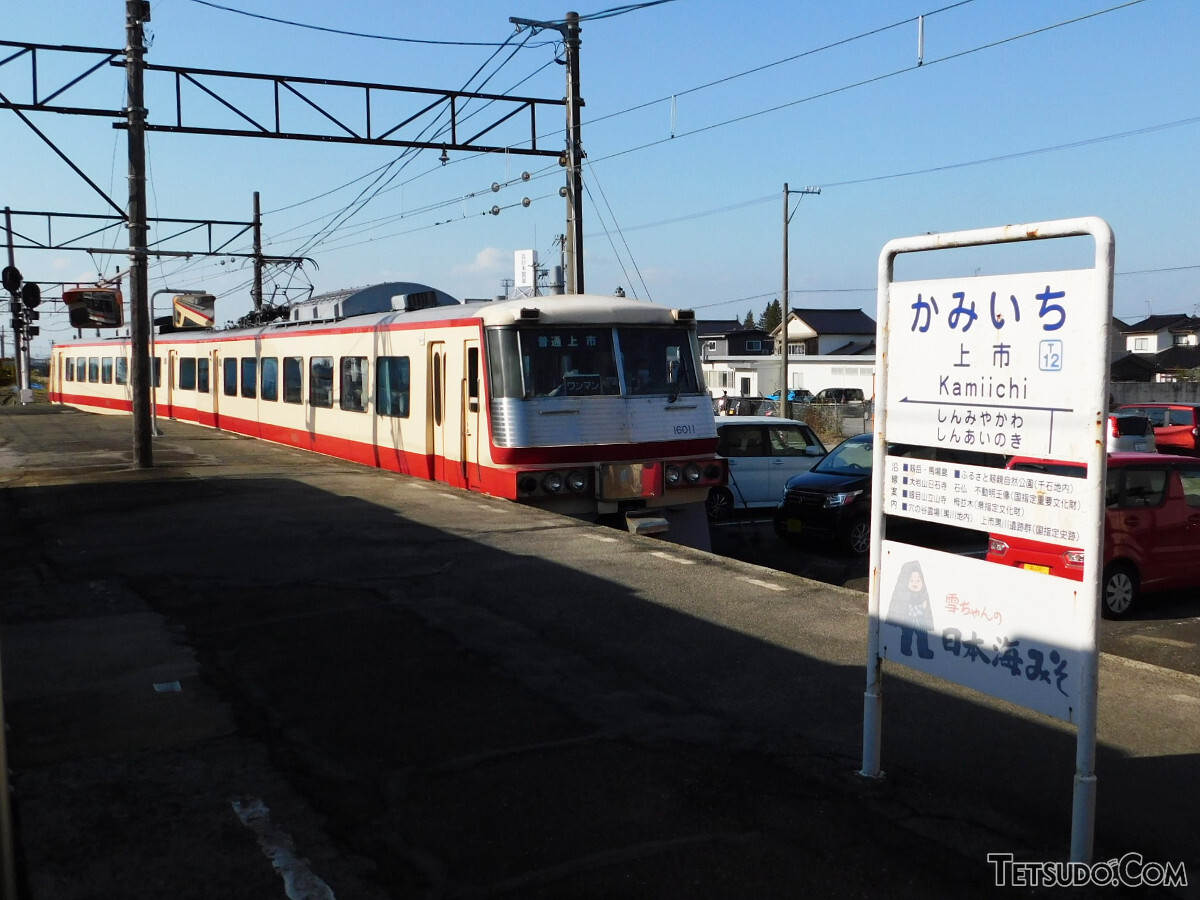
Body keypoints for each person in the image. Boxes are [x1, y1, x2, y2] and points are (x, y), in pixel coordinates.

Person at [887, 560, 935, 659]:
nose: (915, 583)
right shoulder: (904, 593)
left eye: (918, 580)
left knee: (922, 636)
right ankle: (905, 650)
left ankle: (923, 652)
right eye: (911, 580)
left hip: (920, 619)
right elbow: (901, 604)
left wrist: (924, 606)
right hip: (907, 618)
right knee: (906, 635)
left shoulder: (922, 594)